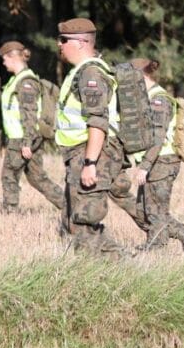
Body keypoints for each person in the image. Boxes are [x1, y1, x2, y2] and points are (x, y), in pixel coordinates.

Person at [53, 17, 128, 256]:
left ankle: (92, 279)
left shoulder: (91, 74)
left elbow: (98, 121)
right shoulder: (81, 73)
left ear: (82, 42)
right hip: (79, 153)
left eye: (64, 40)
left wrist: (90, 163)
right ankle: (123, 265)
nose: (59, 45)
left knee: (83, 223)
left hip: (91, 153)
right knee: (73, 221)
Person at [111, 58, 184, 253]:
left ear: (141, 75)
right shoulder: (147, 98)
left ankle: (156, 251)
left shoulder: (158, 99)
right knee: (147, 211)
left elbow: (158, 138)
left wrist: (144, 166)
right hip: (155, 161)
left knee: (155, 212)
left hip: (163, 162)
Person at [0, 40, 65, 213]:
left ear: (13, 58)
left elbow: (30, 113)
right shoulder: (18, 80)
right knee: (37, 178)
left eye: (5, 59)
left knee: (9, 175)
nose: (3, 63)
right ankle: (68, 206)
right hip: (23, 137)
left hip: (22, 138)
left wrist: (27, 142)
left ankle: (10, 213)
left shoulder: (26, 83)